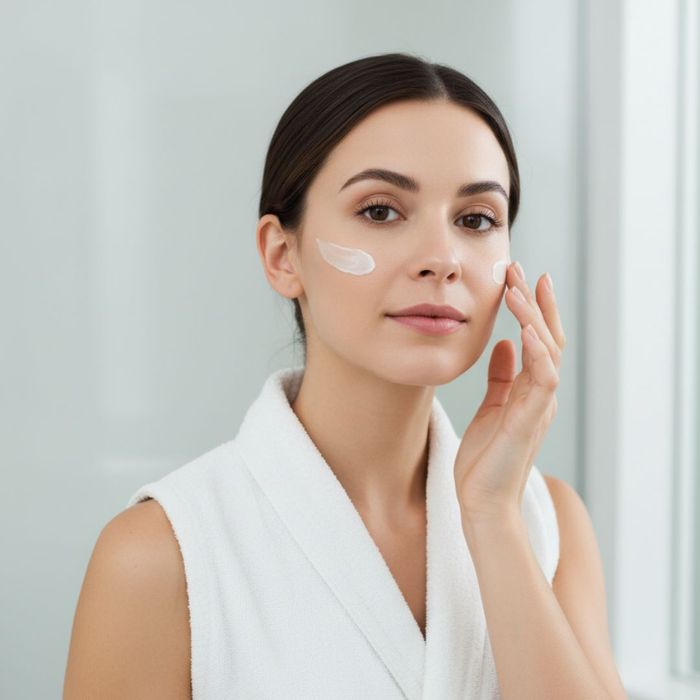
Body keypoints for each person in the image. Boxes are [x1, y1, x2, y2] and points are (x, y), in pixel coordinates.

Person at [63, 52, 625, 699]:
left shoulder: (546, 521)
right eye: (381, 211)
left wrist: (492, 517)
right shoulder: (162, 557)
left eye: (475, 220)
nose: (442, 259)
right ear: (282, 255)